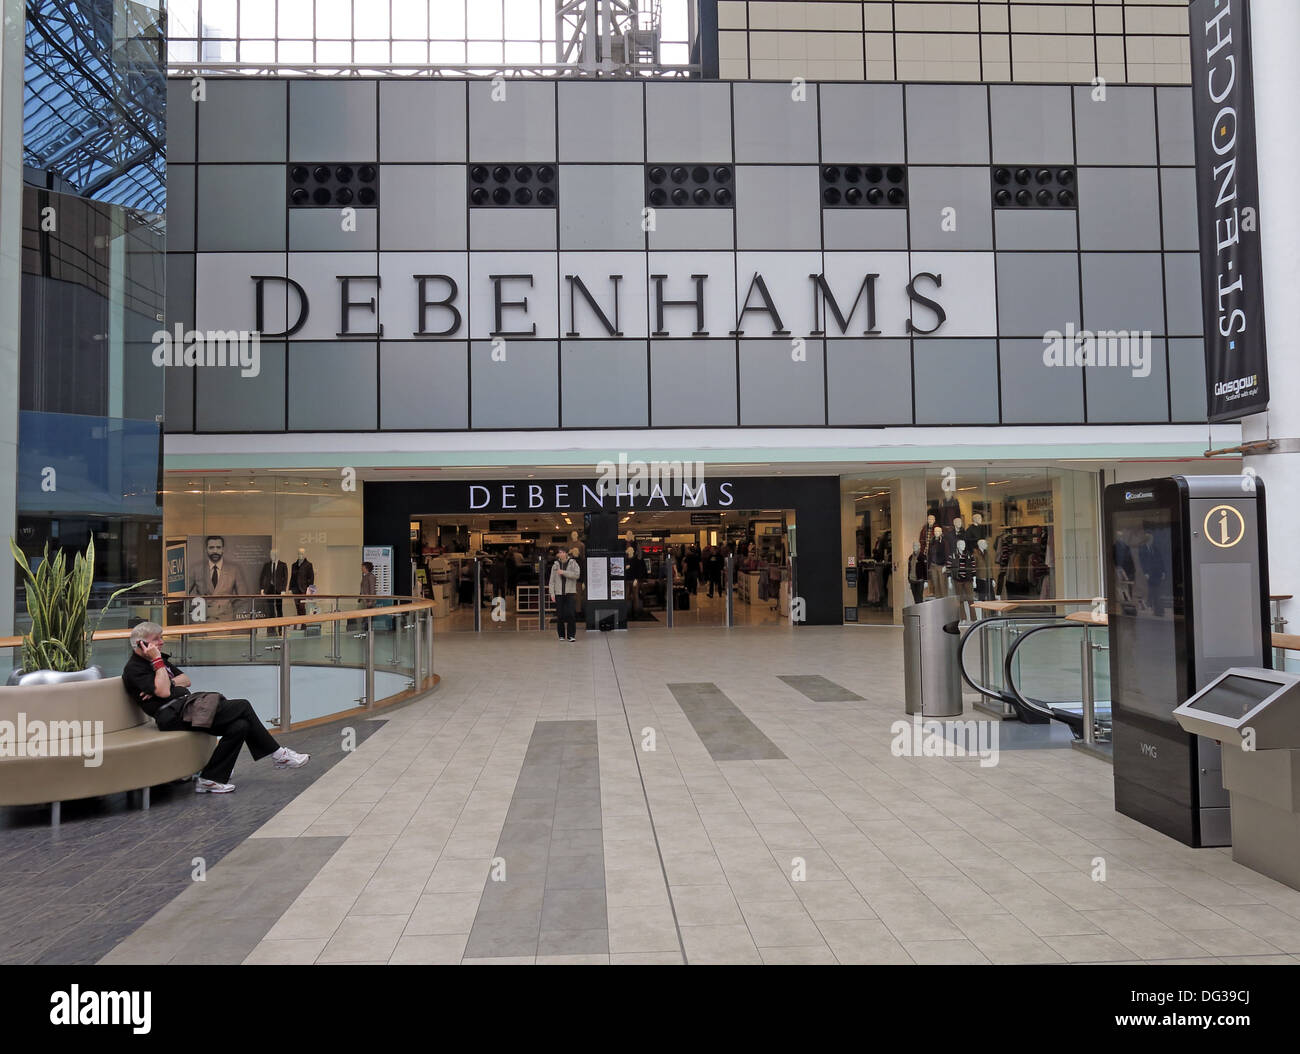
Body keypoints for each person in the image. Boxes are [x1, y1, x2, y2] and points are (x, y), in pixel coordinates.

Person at [122, 622, 309, 794]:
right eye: (156, 640)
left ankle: (210, 779)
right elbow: (163, 692)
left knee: (240, 726)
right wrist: (158, 665)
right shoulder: (134, 668)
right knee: (242, 705)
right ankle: (278, 754)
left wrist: (166, 681)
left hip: (188, 708)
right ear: (141, 644)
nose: (162, 642)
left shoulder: (160, 662)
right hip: (171, 716)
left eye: (161, 638)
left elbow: (185, 680)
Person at [187, 535, 242, 621]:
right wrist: (196, 608)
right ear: (206, 549)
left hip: (224, 620)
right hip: (202, 619)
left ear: (223, 549)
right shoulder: (196, 569)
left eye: (218, 547)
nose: (215, 551)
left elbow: (243, 596)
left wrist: (227, 609)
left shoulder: (234, 570)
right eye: (211, 547)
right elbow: (184, 594)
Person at [548, 547, 580, 642]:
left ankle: (571, 635)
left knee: (571, 614)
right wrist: (552, 593)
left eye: (562, 552)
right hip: (559, 593)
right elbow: (551, 581)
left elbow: (577, 575)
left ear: (566, 553)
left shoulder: (573, 563)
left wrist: (564, 572)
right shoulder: (555, 565)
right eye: (559, 552)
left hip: (570, 592)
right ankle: (561, 635)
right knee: (560, 615)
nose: (561, 554)